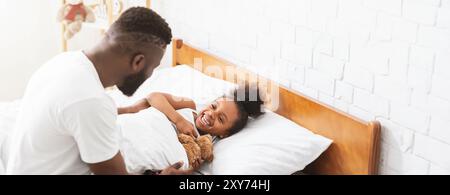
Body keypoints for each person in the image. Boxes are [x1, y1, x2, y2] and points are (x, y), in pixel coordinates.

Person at [6, 7, 186, 175]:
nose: (151, 75)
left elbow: (69, 116)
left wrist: (126, 110)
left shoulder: (64, 62)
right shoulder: (90, 100)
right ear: (137, 62)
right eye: (153, 67)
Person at [119, 85, 265, 169]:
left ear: (224, 134)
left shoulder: (203, 149)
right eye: (213, 106)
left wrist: (189, 170)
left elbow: (182, 167)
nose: (211, 114)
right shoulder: (189, 106)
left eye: (221, 119)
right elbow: (154, 97)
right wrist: (179, 120)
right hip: (134, 129)